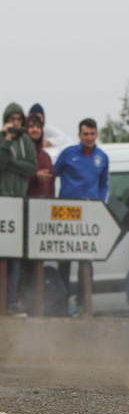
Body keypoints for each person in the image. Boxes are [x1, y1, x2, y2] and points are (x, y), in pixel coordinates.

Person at [54, 118, 109, 315]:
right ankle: (62, 303)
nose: (89, 137)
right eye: (85, 134)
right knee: (64, 259)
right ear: (79, 135)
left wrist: (100, 205)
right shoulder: (68, 153)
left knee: (86, 261)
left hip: (89, 214)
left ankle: (83, 304)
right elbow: (52, 174)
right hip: (67, 214)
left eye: (92, 134)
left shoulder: (102, 157)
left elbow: (104, 185)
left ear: (97, 134)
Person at [1, 103, 37, 315]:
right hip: (2, 204)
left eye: (18, 119)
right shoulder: (1, 139)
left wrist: (10, 163)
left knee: (14, 259)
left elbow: (31, 168)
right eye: (11, 119)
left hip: (18, 205)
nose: (15, 123)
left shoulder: (26, 142)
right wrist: (6, 140)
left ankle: (11, 302)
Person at [25, 113, 56, 197]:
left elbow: (51, 186)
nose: (35, 130)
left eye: (38, 127)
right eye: (31, 127)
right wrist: (35, 178)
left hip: (44, 203)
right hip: (23, 202)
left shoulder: (46, 157)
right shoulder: (21, 154)